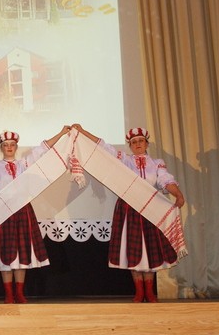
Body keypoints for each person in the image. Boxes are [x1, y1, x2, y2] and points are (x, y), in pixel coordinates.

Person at [72, 124, 186, 303]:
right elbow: (103, 147)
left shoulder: (157, 163)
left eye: (141, 141)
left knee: (149, 251)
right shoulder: (125, 160)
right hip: (129, 210)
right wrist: (83, 132)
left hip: (150, 211)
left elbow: (165, 180)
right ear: (130, 146)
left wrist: (178, 195)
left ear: (147, 144)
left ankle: (149, 292)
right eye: (134, 142)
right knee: (133, 250)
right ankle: (139, 292)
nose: (138, 144)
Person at [0, 127, 71, 303]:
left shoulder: (25, 164)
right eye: (6, 145)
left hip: (22, 212)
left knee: (21, 255)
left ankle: (19, 293)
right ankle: (9, 294)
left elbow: (43, 149)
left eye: (12, 144)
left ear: (16, 147)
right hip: (2, 215)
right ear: (1, 147)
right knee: (5, 256)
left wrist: (61, 133)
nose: (9, 147)